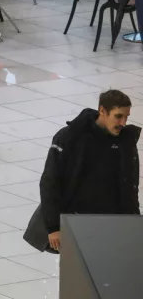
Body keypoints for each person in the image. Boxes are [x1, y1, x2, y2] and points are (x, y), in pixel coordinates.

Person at [25, 90, 139, 254]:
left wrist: (133, 224)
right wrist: (53, 227)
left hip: (111, 224)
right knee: (78, 275)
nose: (123, 122)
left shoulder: (125, 142)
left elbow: (130, 187)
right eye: (118, 116)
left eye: (126, 117)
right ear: (102, 111)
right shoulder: (69, 137)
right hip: (77, 222)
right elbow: (50, 182)